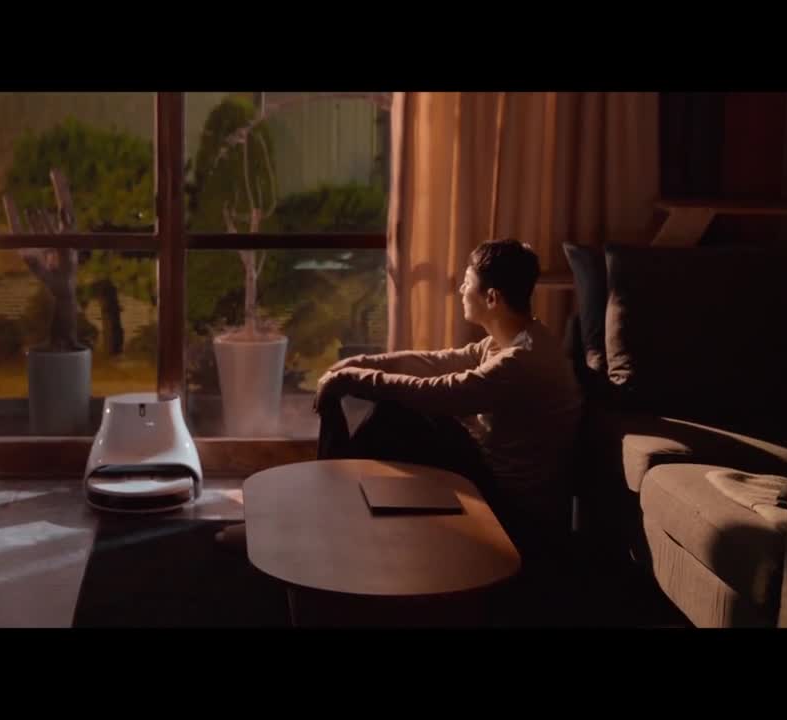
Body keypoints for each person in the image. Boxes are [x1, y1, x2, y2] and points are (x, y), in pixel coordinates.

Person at [217, 239, 583, 569]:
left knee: (396, 412)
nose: (460, 290)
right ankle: (328, 512)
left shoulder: (522, 360)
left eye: (467, 283)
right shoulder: (511, 341)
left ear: (492, 298)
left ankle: (324, 516)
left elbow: (442, 392)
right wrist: (357, 365)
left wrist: (353, 379)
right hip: (489, 472)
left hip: (515, 508)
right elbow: (436, 362)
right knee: (389, 409)